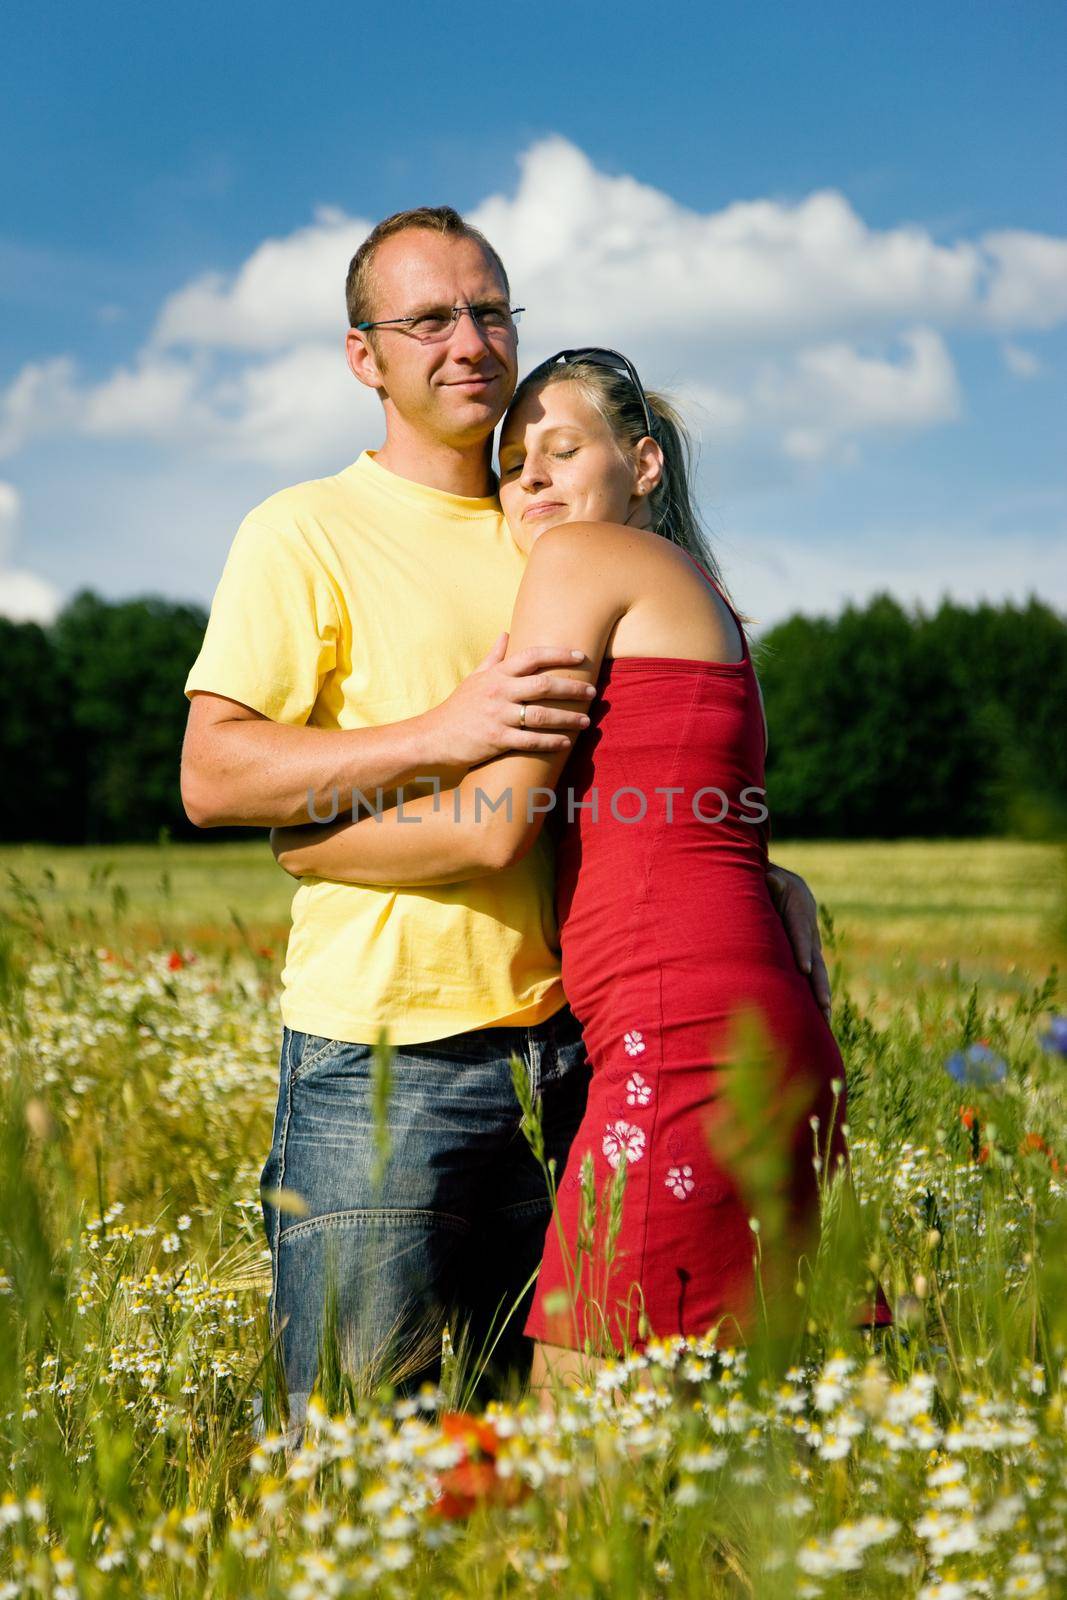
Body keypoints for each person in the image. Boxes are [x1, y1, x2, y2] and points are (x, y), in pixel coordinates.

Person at [180, 207, 830, 1418]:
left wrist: (762, 874)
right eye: (428, 318)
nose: (468, 339)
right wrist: (445, 729)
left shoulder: (550, 529)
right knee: (361, 1443)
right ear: (363, 356)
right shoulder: (304, 530)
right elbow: (212, 774)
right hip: (389, 1055)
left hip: (574, 1043)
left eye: (488, 310)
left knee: (539, 1441)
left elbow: (642, 762)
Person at [272, 343, 883, 1383]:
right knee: (717, 1427)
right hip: (751, 1026)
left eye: (563, 450)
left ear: (642, 466)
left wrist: (310, 839)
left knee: (574, 1437)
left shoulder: (578, 561)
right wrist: (785, 884)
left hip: (678, 1032)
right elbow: (704, 817)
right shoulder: (706, 602)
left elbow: (491, 827)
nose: (534, 480)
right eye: (514, 464)